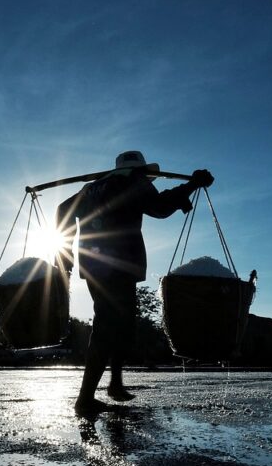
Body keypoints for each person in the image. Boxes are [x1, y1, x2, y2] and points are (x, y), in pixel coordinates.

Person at [56, 151, 213, 415]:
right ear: (139, 170)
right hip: (118, 265)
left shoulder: (94, 188)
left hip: (94, 263)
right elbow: (159, 206)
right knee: (109, 325)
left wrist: (66, 255)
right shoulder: (133, 182)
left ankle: (115, 384)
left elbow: (62, 211)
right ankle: (85, 399)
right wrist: (191, 185)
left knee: (120, 323)